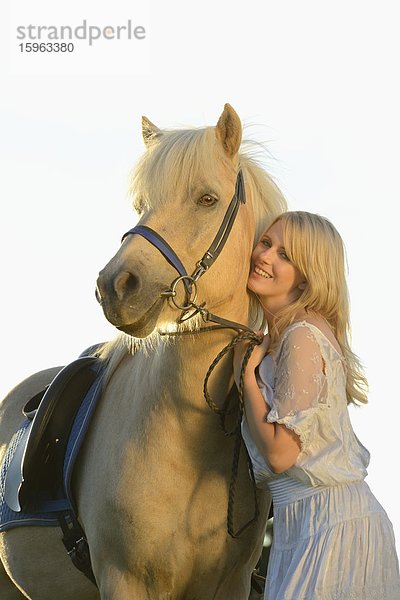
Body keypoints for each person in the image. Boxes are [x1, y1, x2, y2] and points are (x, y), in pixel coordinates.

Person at [233, 211, 400, 599]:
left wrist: (246, 380)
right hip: (308, 526)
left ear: (307, 275)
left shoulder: (301, 335)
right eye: (266, 243)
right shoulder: (284, 337)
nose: (266, 256)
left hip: (331, 527)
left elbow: (280, 453)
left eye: (286, 255)